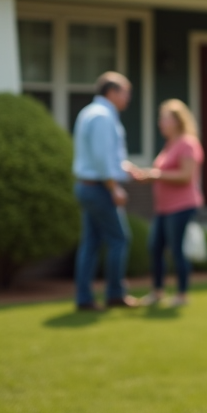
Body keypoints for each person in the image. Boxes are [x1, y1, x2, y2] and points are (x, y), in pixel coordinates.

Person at [129, 100, 205, 308]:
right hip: (163, 207)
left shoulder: (188, 143)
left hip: (182, 205)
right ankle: (157, 292)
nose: (160, 123)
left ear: (177, 121)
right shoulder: (170, 144)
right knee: (155, 247)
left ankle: (182, 294)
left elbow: (186, 176)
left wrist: (154, 175)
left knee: (176, 250)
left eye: (164, 118)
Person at [72, 71, 138, 311]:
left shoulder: (91, 112)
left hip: (87, 185)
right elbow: (101, 158)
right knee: (120, 239)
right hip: (99, 188)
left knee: (90, 244)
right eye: (125, 92)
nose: (128, 98)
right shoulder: (102, 116)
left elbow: (104, 156)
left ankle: (84, 298)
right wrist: (114, 188)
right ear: (111, 92)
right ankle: (114, 294)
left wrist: (125, 168)